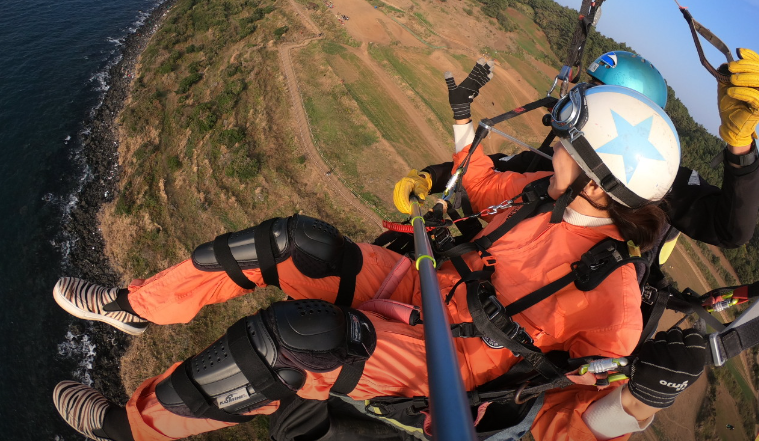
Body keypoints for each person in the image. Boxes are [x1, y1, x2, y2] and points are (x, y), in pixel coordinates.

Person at [52, 83, 707, 441]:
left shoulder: (612, 296)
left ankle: (127, 429)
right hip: (414, 282)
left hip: (443, 356)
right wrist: (460, 123)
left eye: (567, 145)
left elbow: (565, 425)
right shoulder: (540, 192)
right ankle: (136, 308)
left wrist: (640, 403)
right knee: (290, 242)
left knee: (292, 342)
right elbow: (477, 181)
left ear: (595, 182)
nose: (551, 148)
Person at [393, 50, 759, 267]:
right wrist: (433, 176)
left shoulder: (657, 181)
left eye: (596, 96)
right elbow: (501, 168)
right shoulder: (565, 156)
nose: (579, 103)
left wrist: (740, 148)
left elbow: (731, 229)